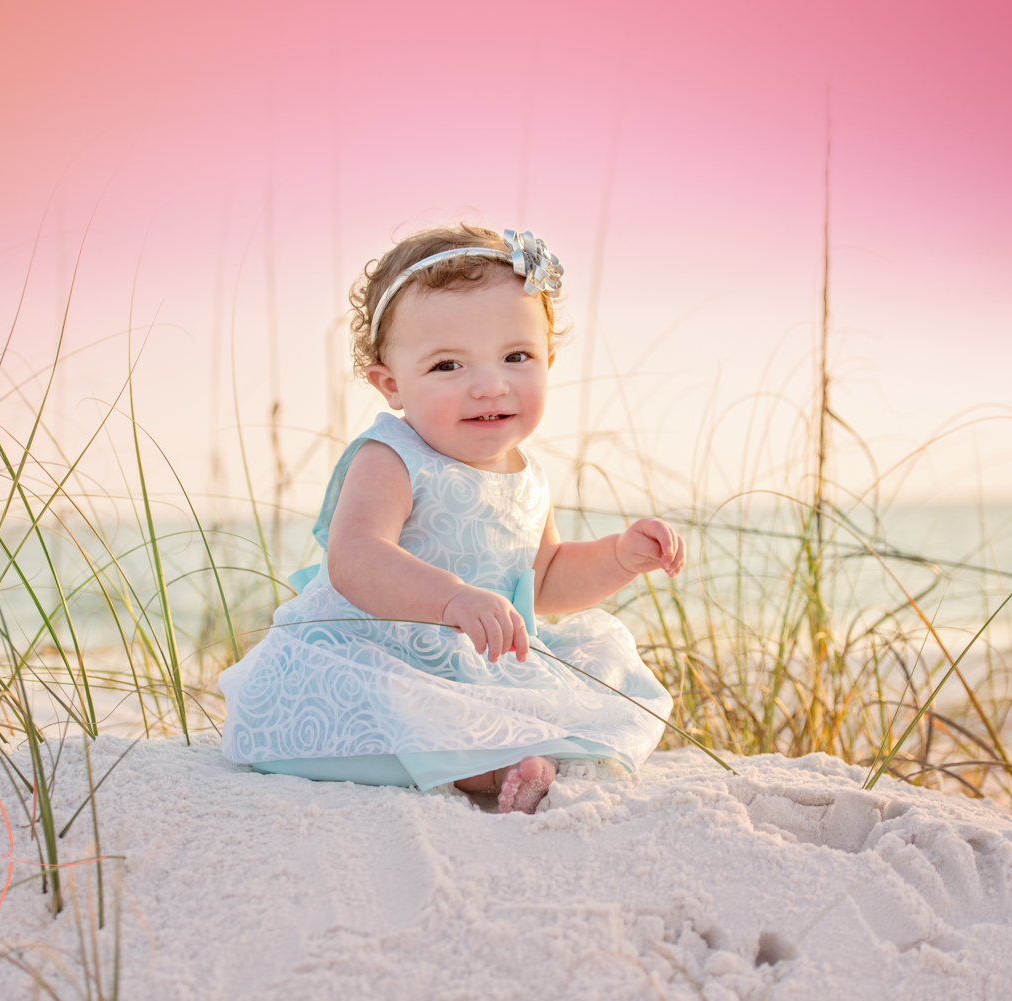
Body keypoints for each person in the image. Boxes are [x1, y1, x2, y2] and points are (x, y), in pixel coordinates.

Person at [219, 223, 686, 814]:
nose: (489, 385)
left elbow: (542, 581)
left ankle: (508, 756)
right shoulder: (392, 457)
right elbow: (355, 557)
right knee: (398, 707)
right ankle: (490, 769)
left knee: (595, 678)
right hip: (381, 651)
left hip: (474, 662)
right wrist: (451, 599)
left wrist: (619, 557)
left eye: (516, 357)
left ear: (548, 359)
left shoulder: (527, 475)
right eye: (447, 366)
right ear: (392, 385)